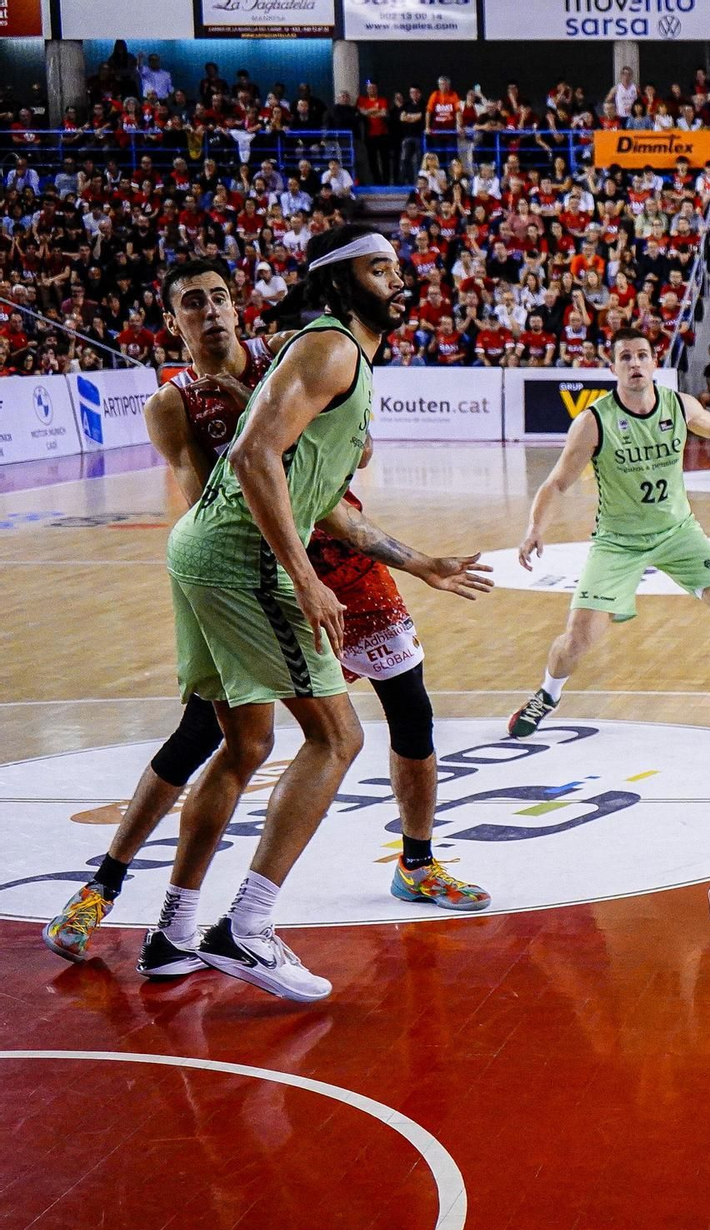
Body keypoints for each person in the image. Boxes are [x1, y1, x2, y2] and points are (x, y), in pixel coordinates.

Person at [41, 255, 496, 965]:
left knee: (410, 706)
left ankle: (416, 861)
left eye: (221, 297)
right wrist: (242, 417)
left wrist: (410, 558)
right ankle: (104, 885)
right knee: (213, 734)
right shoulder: (173, 405)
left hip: (340, 554)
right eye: (194, 303)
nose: (212, 312)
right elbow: (209, 500)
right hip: (257, 566)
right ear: (174, 321)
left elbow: (353, 453)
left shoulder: (292, 355)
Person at [146, 226, 406, 1002]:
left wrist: (421, 561)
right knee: (337, 735)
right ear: (340, 281)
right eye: (378, 266)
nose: (397, 277)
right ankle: (246, 927)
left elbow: (324, 489)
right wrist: (303, 577)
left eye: (396, 264)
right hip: (240, 558)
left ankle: (170, 931)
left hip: (199, 551)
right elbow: (256, 456)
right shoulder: (329, 348)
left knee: (245, 743)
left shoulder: (330, 355)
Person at [509, 326, 710, 738]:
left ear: (654, 363)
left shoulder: (679, 406)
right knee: (577, 640)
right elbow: (556, 483)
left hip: (679, 532)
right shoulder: (593, 422)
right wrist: (535, 528)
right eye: (624, 357)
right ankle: (547, 694)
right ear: (612, 368)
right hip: (617, 542)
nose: (635, 364)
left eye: (641, 355)